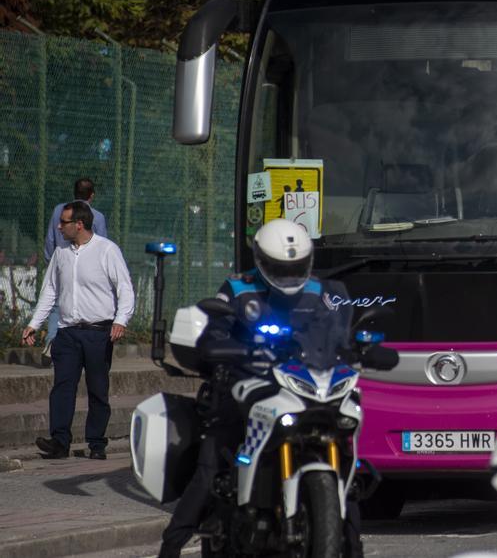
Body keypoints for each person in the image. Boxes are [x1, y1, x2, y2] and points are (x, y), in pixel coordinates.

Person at [159, 219, 364, 558]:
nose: (288, 274)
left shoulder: (323, 294)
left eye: (295, 267)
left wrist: (358, 346)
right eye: (280, 268)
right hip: (246, 386)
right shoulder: (238, 289)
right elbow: (214, 330)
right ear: (261, 260)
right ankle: (171, 547)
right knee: (211, 461)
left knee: (350, 467)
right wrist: (221, 344)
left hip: (303, 386)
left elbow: (339, 335)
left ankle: (353, 546)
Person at [21, 201, 133, 460]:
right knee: (62, 386)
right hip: (67, 332)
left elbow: (125, 288)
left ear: (79, 224)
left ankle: (96, 443)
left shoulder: (107, 250)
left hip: (98, 333)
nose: (58, 227)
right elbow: (50, 290)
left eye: (63, 222)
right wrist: (34, 324)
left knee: (97, 388)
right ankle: (59, 441)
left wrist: (120, 320)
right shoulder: (61, 253)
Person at [41, 178, 109, 352]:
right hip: (86, 269)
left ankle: (52, 340)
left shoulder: (59, 210)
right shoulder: (97, 217)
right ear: (91, 195)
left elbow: (50, 238)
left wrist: (51, 260)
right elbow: (101, 246)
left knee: (57, 302)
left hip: (60, 262)